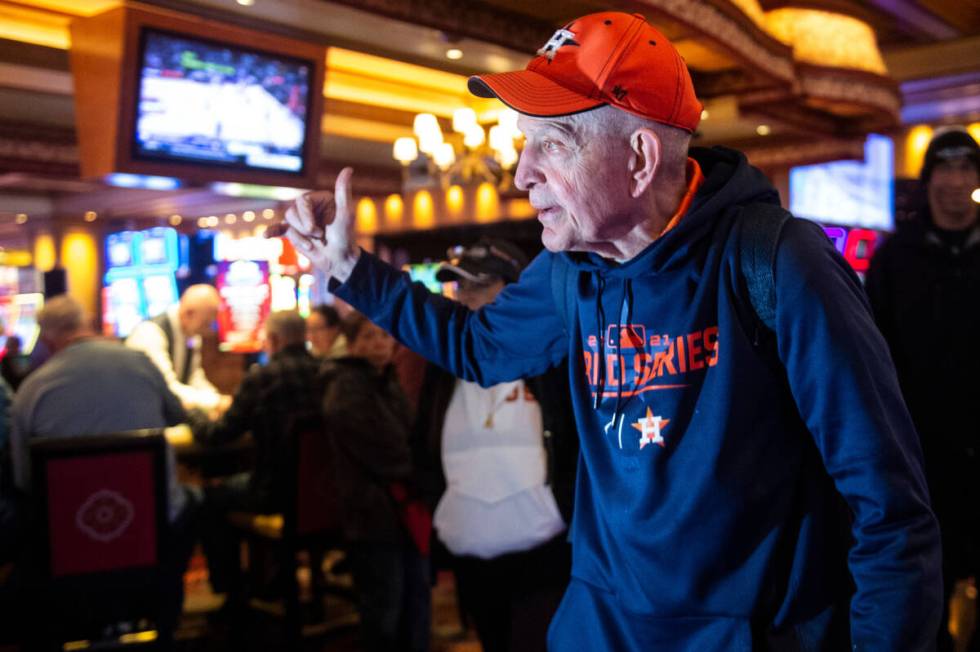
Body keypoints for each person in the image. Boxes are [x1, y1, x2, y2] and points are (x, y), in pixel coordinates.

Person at [280, 12, 941, 650]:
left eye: (551, 145)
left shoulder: (777, 261)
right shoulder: (571, 268)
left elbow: (888, 508)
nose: (521, 174)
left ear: (640, 156)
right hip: (600, 628)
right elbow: (478, 349)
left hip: (747, 634)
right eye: (522, 143)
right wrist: (350, 270)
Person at [412, 237, 577, 652]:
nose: (465, 298)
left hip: (542, 552)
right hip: (470, 550)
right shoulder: (443, 365)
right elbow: (424, 445)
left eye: (478, 286)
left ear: (514, 291)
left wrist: (564, 512)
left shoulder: (552, 357)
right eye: (459, 288)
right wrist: (442, 513)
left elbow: (577, 447)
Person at [8, 295, 196, 641]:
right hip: (151, 540)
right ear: (88, 323)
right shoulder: (140, 363)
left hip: (70, 552)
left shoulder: (31, 390)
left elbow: (24, 481)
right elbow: (177, 416)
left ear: (47, 340)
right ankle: (166, 623)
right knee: (192, 502)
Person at [865, 128, 980, 650]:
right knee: (925, 583)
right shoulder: (895, 259)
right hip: (921, 455)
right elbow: (873, 356)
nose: (955, 182)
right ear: (928, 179)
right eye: (945, 170)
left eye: (966, 170)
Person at [190, 310, 322, 611]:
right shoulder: (326, 370)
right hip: (323, 495)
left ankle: (233, 594)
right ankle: (275, 578)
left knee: (210, 499)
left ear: (273, 339)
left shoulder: (262, 377)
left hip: (275, 494)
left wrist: (192, 414)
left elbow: (218, 435)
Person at [321, 312, 429, 652]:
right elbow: (389, 452)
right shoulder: (346, 387)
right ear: (351, 344)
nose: (378, 344)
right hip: (373, 514)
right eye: (368, 337)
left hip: (400, 508)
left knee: (415, 599)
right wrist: (424, 469)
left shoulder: (386, 379)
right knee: (385, 609)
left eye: (383, 335)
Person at [126, 284, 229, 413]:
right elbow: (166, 388)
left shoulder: (192, 332)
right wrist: (215, 402)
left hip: (167, 412)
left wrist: (216, 398)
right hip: (143, 415)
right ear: (188, 313)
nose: (209, 330)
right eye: (206, 323)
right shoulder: (150, 333)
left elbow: (194, 377)